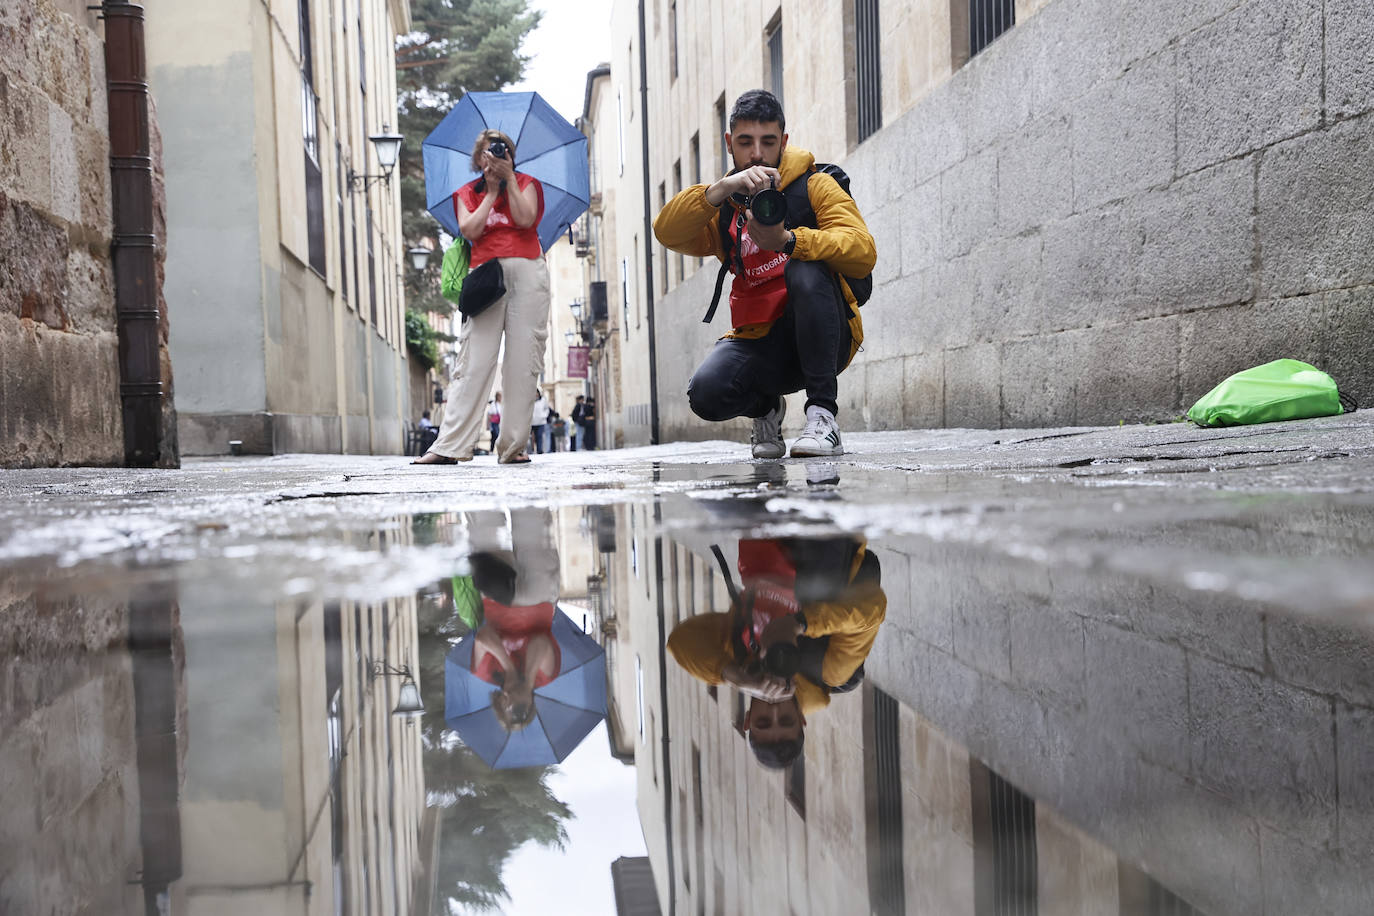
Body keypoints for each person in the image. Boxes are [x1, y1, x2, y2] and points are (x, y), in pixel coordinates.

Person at [653, 89, 876, 459]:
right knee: (705, 393)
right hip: (760, 342)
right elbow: (667, 231)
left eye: (767, 142)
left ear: (783, 142)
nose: (756, 154)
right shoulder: (725, 208)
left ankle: (823, 417)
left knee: (805, 268)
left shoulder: (816, 184)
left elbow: (862, 250)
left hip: (824, 337)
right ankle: (766, 410)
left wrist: (788, 241)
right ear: (729, 143)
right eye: (745, 142)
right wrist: (719, 189)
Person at [667, 537, 885, 769]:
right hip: (826, 536)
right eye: (785, 720)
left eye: (763, 721)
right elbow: (871, 610)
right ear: (801, 719)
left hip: (764, 534)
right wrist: (800, 624)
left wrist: (730, 675)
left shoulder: (739, 657)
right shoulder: (828, 671)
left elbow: (680, 639)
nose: (773, 710)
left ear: (748, 719)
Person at [414, 129, 550, 466]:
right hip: (486, 277)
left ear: (511, 156)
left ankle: (512, 446)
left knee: (523, 362)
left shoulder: (528, 183)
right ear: (479, 158)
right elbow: (470, 230)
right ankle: (449, 446)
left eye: (503, 150)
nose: (496, 155)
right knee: (473, 361)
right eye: (489, 151)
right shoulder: (467, 193)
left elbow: (525, 218)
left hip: (528, 272)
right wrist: (490, 193)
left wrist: (510, 182)